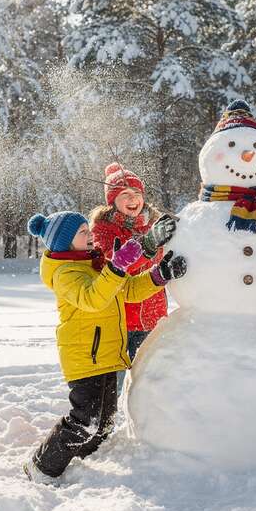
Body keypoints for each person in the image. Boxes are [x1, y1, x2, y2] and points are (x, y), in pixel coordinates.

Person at [24, 209, 183, 479]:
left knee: (103, 424)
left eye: (88, 229)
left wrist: (160, 275)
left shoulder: (91, 264)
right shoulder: (65, 273)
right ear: (64, 242)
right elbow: (93, 298)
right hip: (86, 358)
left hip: (107, 354)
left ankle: (84, 456)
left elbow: (128, 291)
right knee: (85, 422)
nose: (90, 234)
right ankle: (41, 466)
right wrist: (117, 266)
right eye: (82, 232)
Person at [89, 163, 171, 391]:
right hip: (120, 319)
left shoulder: (155, 225)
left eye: (136, 193)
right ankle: (104, 423)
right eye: (124, 194)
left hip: (154, 316)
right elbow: (114, 269)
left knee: (152, 382)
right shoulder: (103, 230)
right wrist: (148, 247)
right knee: (110, 385)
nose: (133, 198)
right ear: (112, 200)